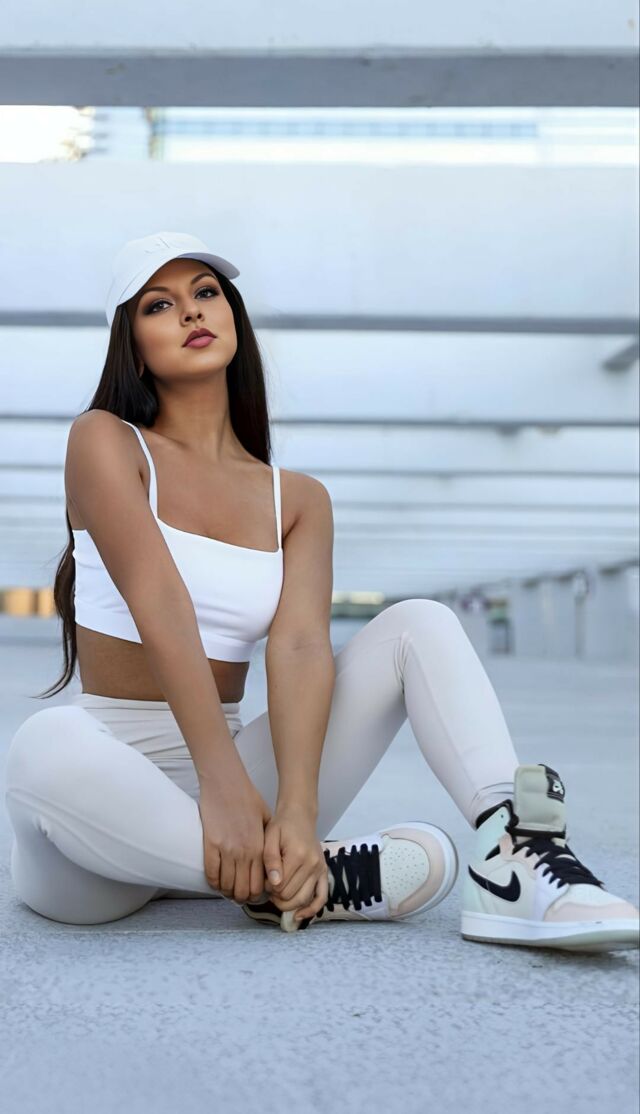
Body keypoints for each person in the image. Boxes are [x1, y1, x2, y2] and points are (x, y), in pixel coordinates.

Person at [4, 231, 638, 950]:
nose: (191, 312)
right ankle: (308, 881)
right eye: (159, 305)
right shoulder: (105, 441)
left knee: (419, 624)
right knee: (44, 745)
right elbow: (160, 603)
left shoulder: (298, 499)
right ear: (134, 346)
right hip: (96, 825)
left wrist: (297, 813)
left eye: (205, 293)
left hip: (252, 796)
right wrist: (223, 787)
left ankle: (513, 855)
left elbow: (302, 648)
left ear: (233, 318)